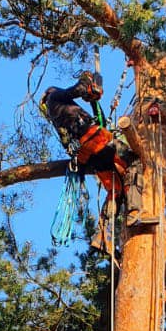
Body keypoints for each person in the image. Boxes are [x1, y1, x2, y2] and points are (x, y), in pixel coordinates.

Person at [40, 71, 130, 245]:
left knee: (114, 189)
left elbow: (100, 122)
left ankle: (102, 235)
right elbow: (77, 90)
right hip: (96, 139)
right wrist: (88, 84)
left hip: (89, 154)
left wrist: (94, 101)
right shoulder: (54, 97)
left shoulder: (60, 121)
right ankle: (135, 211)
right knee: (132, 161)